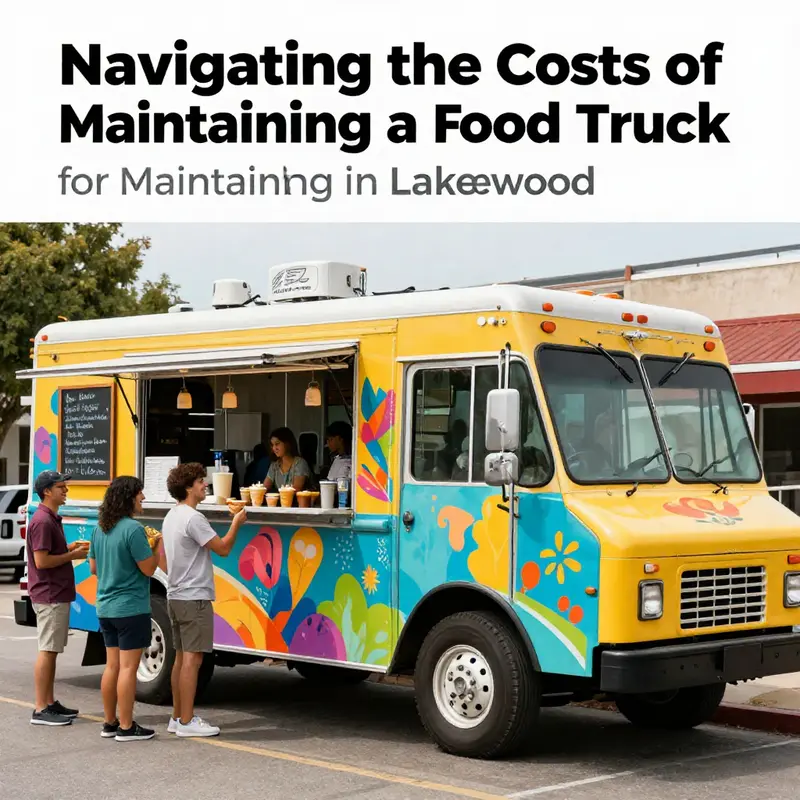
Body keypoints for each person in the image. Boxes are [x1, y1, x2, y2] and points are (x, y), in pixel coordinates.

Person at [161, 462, 246, 738]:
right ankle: (187, 721)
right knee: (193, 661)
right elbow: (222, 548)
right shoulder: (193, 518)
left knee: (181, 658)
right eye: (200, 481)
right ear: (188, 488)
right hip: (194, 597)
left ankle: (177, 717)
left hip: (175, 595)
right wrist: (236, 523)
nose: (204, 485)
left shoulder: (172, 515)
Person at [88, 476, 161, 742]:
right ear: (129, 498)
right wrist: (157, 546)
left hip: (105, 607)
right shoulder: (134, 529)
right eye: (140, 494)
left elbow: (94, 569)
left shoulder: (100, 528)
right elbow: (149, 568)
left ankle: (109, 722)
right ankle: (127, 727)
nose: (143, 498)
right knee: (129, 669)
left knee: (112, 667)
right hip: (131, 608)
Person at [26, 470, 88, 726]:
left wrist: (68, 548)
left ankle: (50, 702)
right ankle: (41, 708)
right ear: (47, 491)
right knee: (48, 650)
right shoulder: (42, 521)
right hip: (49, 594)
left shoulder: (50, 519)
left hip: (55, 593)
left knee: (52, 651)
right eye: (61, 487)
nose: (66, 491)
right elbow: (41, 561)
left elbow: (49, 553)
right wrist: (71, 557)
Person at [262, 427, 311, 495]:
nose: (274, 448)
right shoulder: (275, 466)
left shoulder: (299, 463)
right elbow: (264, 488)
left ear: (287, 443)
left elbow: (296, 490)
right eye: (272, 445)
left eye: (277, 444)